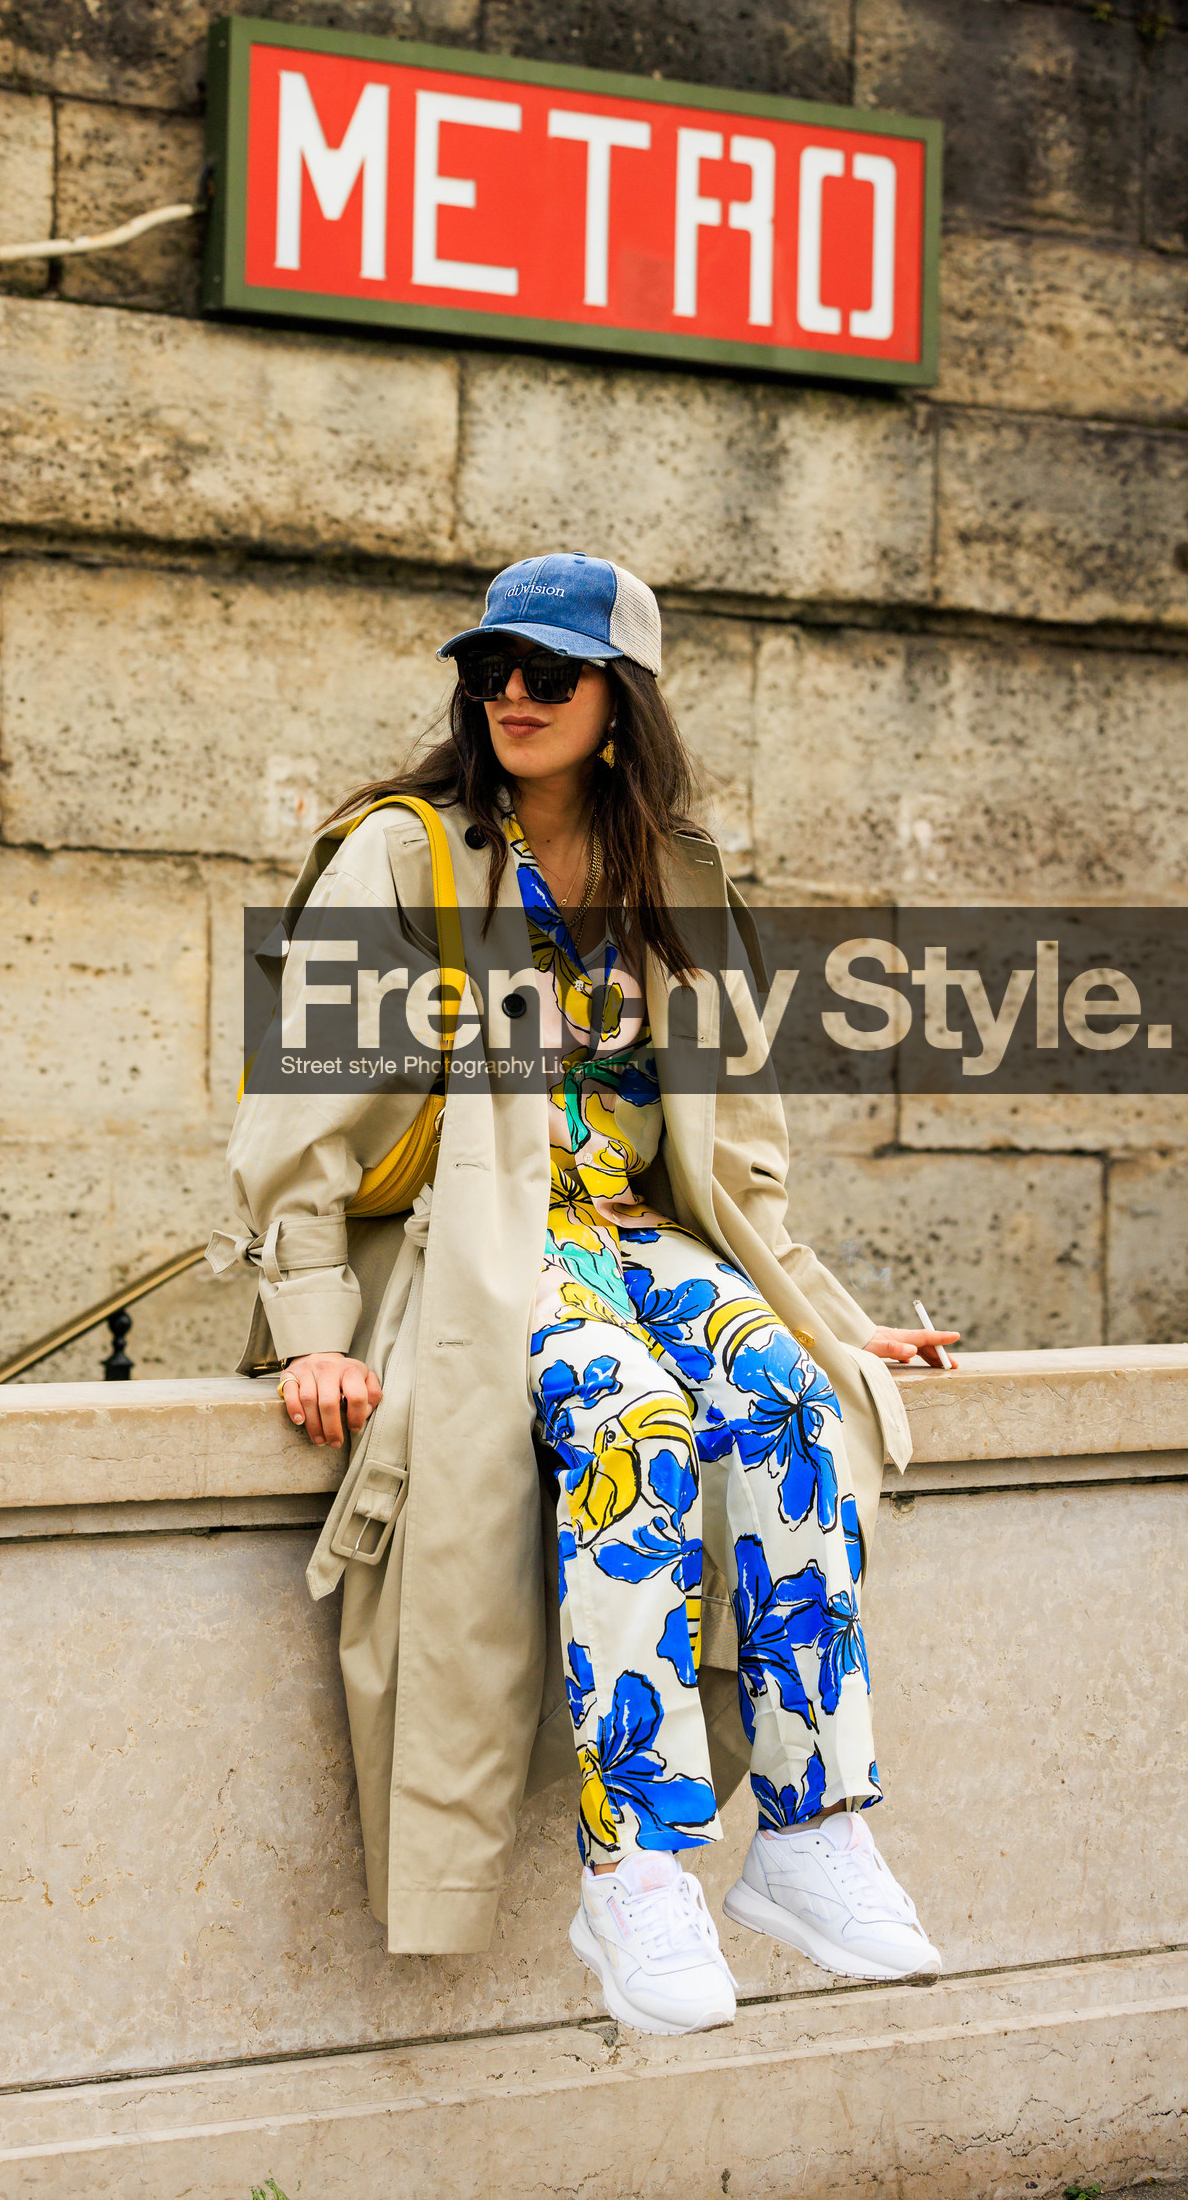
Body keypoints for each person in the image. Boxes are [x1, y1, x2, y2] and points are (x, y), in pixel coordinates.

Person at [211, 551, 954, 2037]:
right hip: (482, 1247)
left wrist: (826, 1316)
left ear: (623, 701)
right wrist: (311, 1333)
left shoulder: (678, 875)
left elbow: (738, 1162)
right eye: (490, 670)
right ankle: (640, 1868)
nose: (512, 697)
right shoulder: (403, 854)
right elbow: (294, 1122)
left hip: (635, 1239)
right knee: (629, 1426)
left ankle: (808, 1833)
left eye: (549, 672)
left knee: (794, 1410)